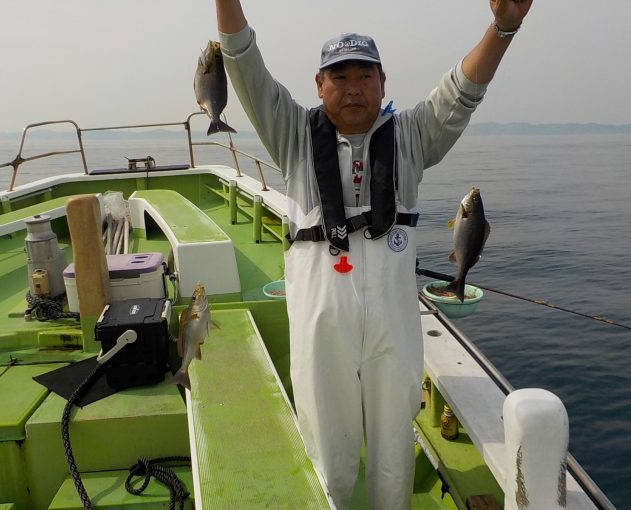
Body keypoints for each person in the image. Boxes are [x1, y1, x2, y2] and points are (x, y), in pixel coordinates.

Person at [214, 1, 533, 508]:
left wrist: (503, 27)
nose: (353, 87)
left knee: (393, 457)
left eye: (365, 76)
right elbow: (243, 63)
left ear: (383, 84)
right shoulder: (291, 134)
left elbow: (463, 91)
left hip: (393, 333)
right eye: (340, 77)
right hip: (321, 334)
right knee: (327, 459)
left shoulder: (411, 137)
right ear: (319, 85)